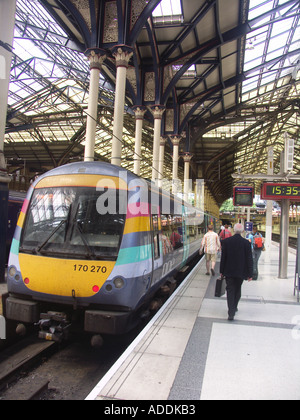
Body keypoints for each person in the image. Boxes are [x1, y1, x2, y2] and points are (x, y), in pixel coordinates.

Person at [220, 223, 253, 321]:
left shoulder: (226, 242)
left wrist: (221, 271)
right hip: (241, 272)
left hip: (228, 271)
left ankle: (231, 312)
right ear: (243, 231)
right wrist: (250, 274)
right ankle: (234, 307)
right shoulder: (246, 243)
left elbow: (223, 258)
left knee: (230, 290)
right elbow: (249, 259)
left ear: (233, 230)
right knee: (238, 289)